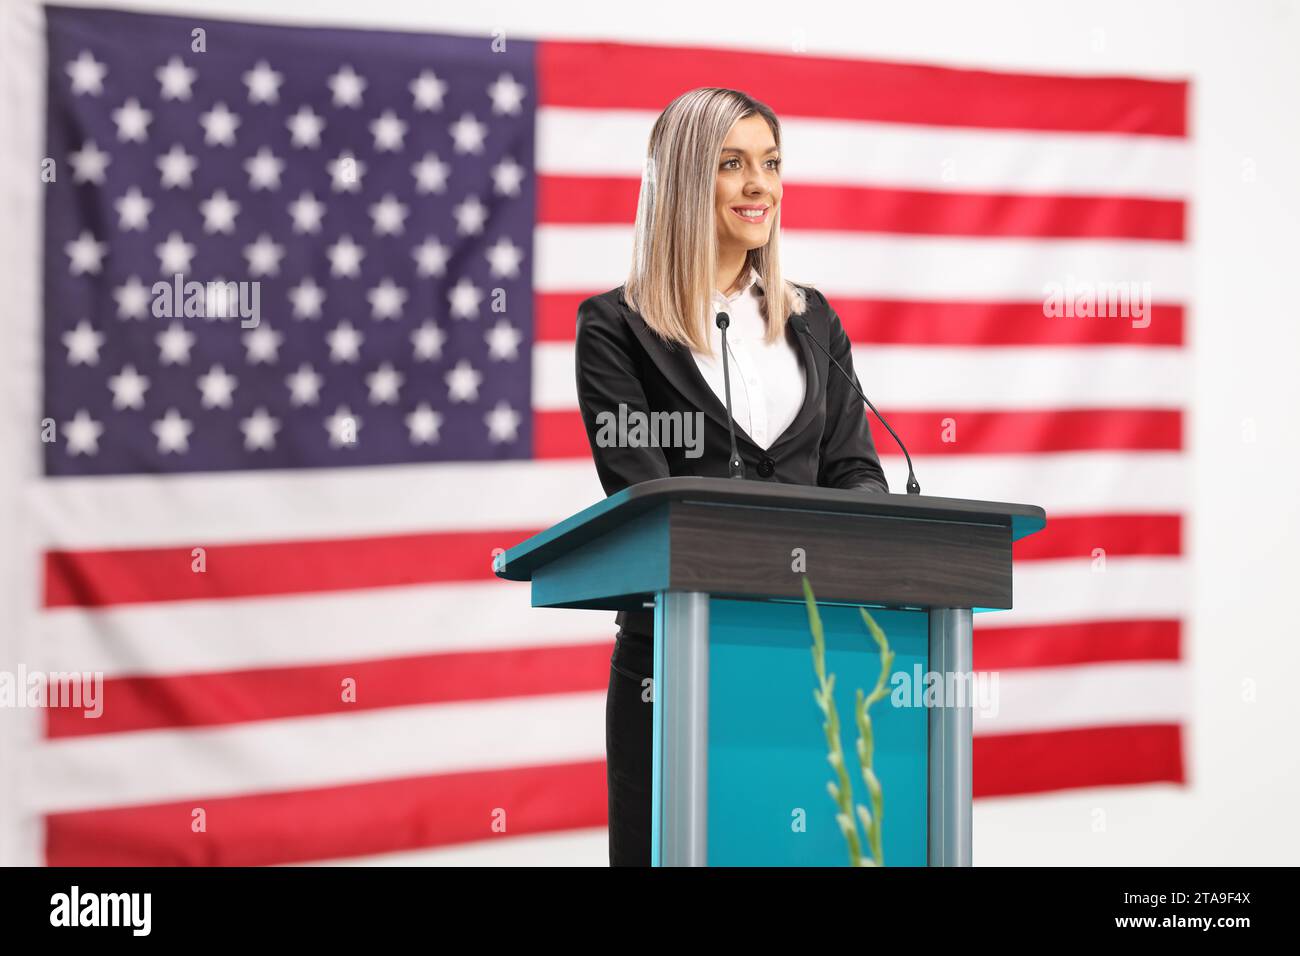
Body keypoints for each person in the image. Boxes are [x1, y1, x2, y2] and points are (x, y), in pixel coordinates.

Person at [573, 87, 890, 866]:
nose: (761, 185)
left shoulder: (814, 323)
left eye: (772, 164)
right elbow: (645, 507)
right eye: (733, 164)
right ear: (684, 179)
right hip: (675, 670)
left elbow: (854, 471)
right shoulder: (616, 330)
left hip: (812, 662)